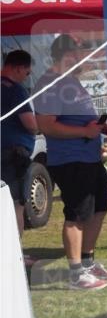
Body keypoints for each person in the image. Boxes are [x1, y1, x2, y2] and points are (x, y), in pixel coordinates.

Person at [34, 35, 107, 290]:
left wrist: (101, 129)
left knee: (100, 208)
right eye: (81, 53)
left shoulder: (71, 82)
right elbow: (47, 126)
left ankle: (88, 263)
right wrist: (84, 133)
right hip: (70, 160)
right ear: (68, 54)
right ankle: (76, 273)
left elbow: (79, 120)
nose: (85, 59)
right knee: (77, 215)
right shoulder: (50, 83)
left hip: (89, 158)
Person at [1, 50, 39, 250]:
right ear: (17, 68)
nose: (28, 76)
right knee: (15, 204)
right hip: (11, 156)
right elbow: (30, 124)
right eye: (27, 72)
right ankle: (15, 255)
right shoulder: (15, 90)